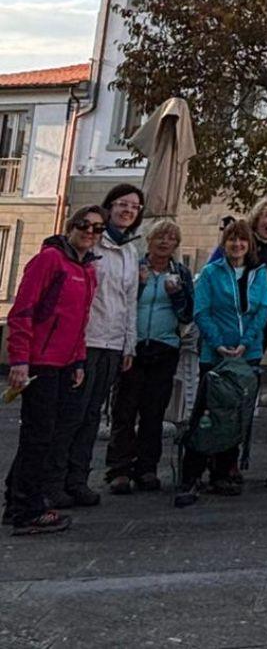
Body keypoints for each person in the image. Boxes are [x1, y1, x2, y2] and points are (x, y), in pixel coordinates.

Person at [3, 206, 105, 536]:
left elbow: (79, 322)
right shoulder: (49, 260)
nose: (90, 232)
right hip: (40, 362)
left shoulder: (87, 270)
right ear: (70, 226)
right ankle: (27, 510)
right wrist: (19, 359)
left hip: (64, 364)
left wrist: (78, 361)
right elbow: (23, 311)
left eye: (97, 228)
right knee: (38, 436)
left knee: (46, 435)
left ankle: (16, 500)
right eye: (84, 225)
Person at [46, 184, 142, 510]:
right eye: (123, 204)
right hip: (85, 340)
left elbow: (129, 301)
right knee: (71, 414)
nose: (128, 211)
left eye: (135, 207)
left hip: (113, 344)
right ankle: (54, 482)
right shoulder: (92, 242)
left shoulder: (130, 251)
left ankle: (78, 479)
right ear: (109, 206)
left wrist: (129, 343)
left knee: (92, 416)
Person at [179, 219, 267, 506]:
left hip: (247, 353)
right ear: (224, 243)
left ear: (249, 244)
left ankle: (223, 470)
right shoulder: (211, 272)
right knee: (206, 412)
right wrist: (218, 343)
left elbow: (263, 309)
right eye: (232, 239)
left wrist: (246, 342)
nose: (237, 244)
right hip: (215, 353)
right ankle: (192, 472)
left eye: (242, 240)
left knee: (235, 414)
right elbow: (202, 310)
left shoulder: (259, 273)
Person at [105, 220, 194, 495]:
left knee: (154, 412)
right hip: (132, 347)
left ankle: (147, 467)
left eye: (170, 238)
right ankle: (119, 469)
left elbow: (188, 313)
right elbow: (122, 304)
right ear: (150, 240)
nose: (164, 242)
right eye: (159, 237)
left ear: (176, 244)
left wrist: (176, 295)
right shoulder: (135, 268)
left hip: (164, 347)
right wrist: (141, 286)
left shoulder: (181, 273)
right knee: (124, 409)